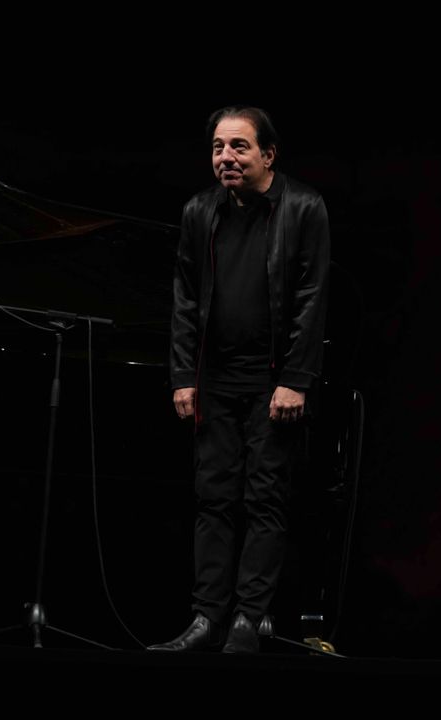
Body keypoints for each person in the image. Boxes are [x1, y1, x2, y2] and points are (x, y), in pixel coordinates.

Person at [150, 106, 331, 653]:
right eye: (218, 147)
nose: (225, 157)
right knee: (212, 499)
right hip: (215, 381)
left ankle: (250, 620)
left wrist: (296, 379)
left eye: (239, 147)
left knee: (264, 499)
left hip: (274, 382)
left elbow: (312, 297)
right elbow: (185, 297)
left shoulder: (304, 207)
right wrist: (183, 375)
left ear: (268, 155)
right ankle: (206, 618)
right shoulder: (199, 211)